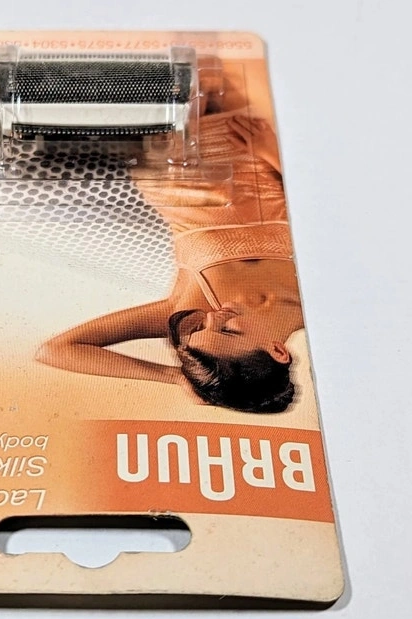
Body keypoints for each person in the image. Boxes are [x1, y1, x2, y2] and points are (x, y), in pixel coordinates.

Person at [36, 102, 304, 413]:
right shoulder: (315, 307)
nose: (213, 317)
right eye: (229, 330)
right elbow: (329, 215)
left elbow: (55, 350)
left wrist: (174, 376)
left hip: (173, 148)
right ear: (278, 350)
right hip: (258, 141)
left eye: (201, 330)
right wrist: (276, 153)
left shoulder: (188, 310)